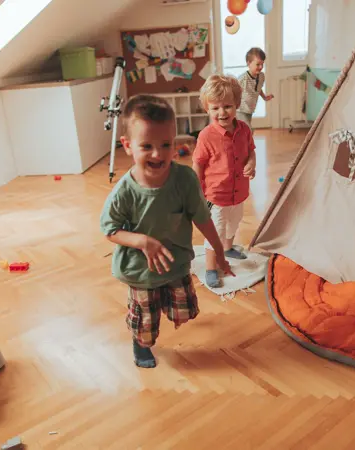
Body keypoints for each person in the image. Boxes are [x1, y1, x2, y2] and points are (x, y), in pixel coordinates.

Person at [100, 94, 234, 369]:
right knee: (146, 321)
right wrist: (141, 241)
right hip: (140, 269)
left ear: (175, 143)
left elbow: (203, 218)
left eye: (165, 144)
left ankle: (160, 307)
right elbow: (110, 230)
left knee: (183, 312)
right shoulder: (124, 192)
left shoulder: (184, 180)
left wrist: (219, 252)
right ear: (127, 146)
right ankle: (141, 344)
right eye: (146, 146)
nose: (158, 154)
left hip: (175, 262)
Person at [192, 74, 256, 289]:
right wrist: (196, 191)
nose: (222, 113)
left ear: (237, 105)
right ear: (207, 109)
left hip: (238, 192)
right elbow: (198, 163)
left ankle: (228, 248)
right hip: (215, 196)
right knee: (215, 232)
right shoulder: (206, 136)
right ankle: (211, 267)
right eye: (215, 108)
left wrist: (252, 164)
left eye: (227, 106)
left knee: (234, 223)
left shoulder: (244, 130)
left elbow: (251, 152)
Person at [237, 47, 274, 130]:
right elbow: (234, 90)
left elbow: (257, 88)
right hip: (240, 109)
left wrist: (264, 97)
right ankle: (247, 143)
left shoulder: (261, 76)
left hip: (250, 109)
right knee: (248, 130)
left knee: (244, 131)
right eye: (258, 64)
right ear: (249, 63)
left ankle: (243, 142)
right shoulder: (243, 79)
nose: (261, 67)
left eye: (262, 64)